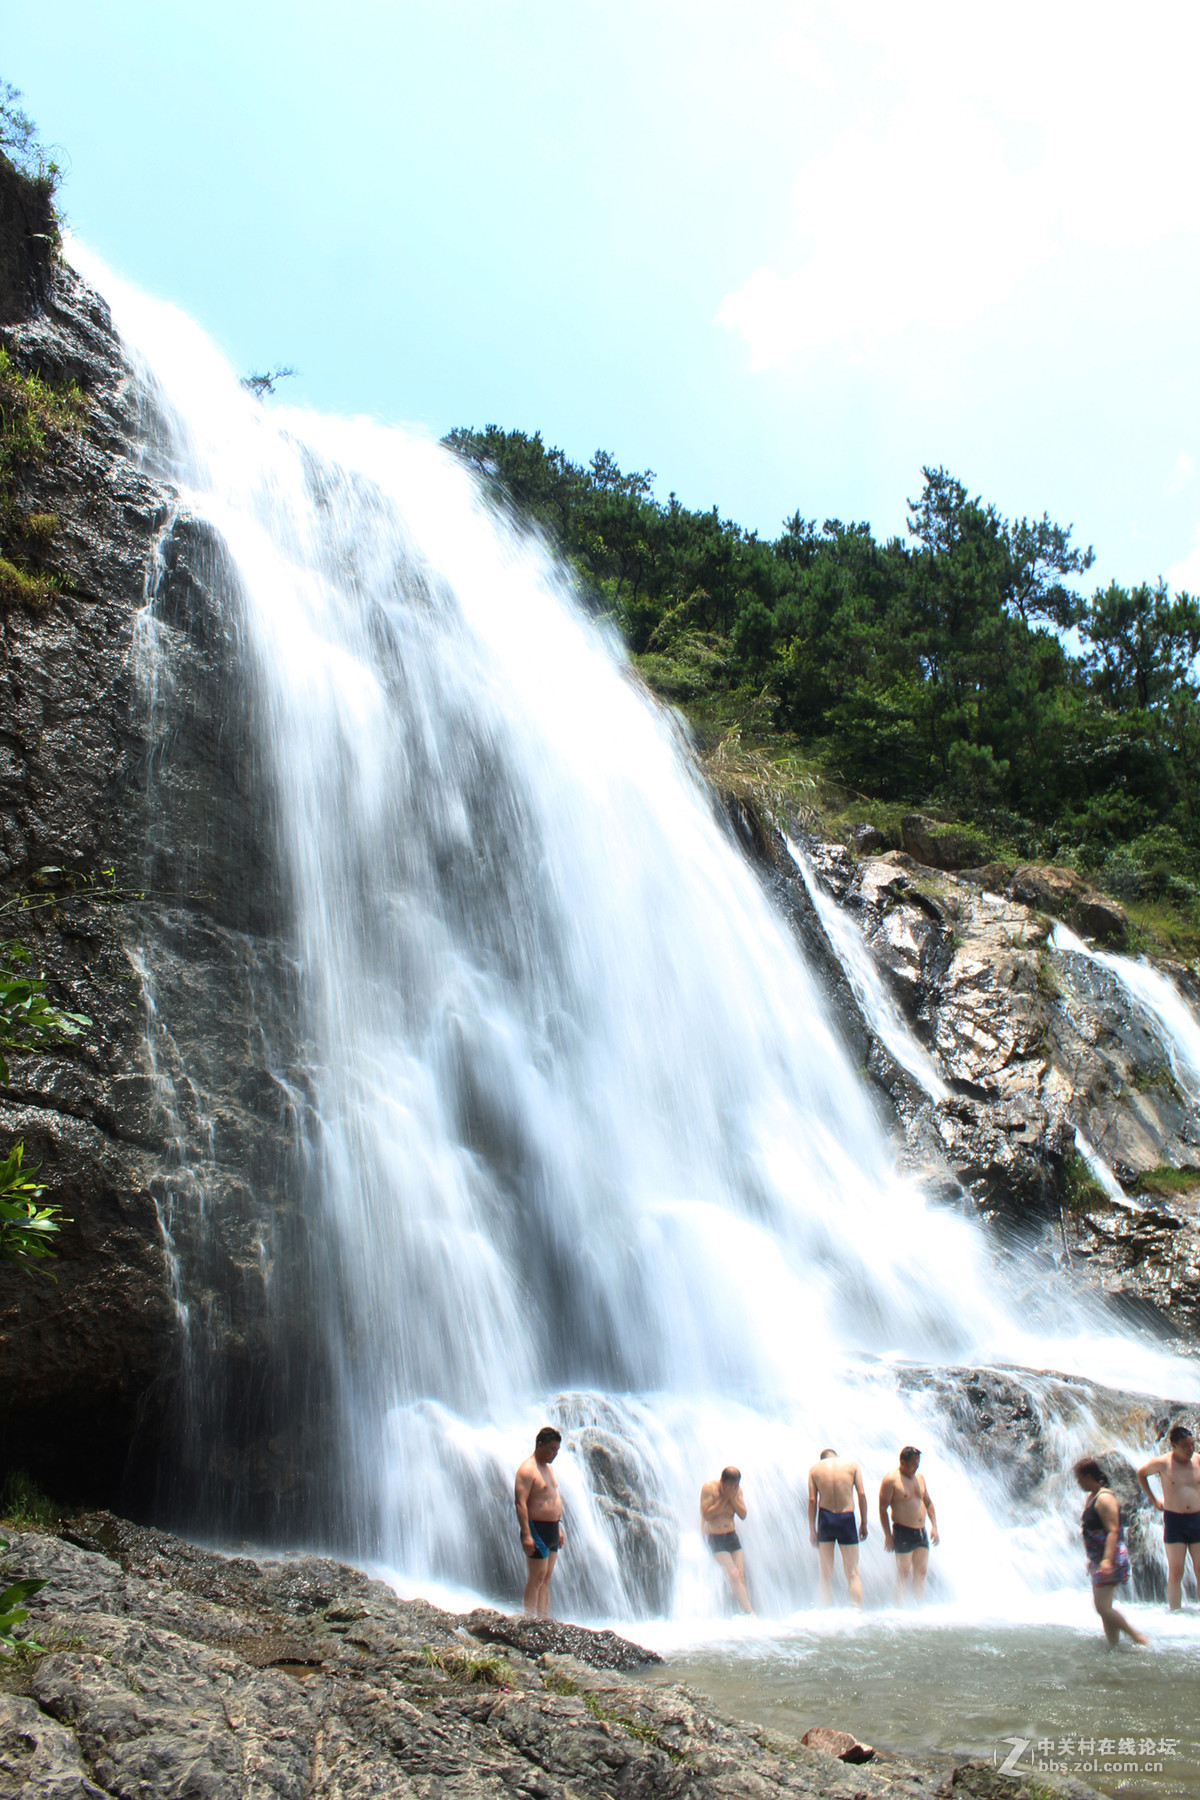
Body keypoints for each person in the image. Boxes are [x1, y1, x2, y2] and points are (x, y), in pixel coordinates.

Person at [1075, 1456, 1148, 1646]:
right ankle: (1114, 1646)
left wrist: (1107, 1560)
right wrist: (1093, 1560)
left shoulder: (1105, 1498)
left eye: (1079, 1478)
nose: (1078, 1482)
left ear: (1088, 1476)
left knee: (1102, 1608)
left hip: (1111, 1557)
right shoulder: (1092, 1497)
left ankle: (1137, 1637)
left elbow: (1113, 1530)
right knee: (1104, 1607)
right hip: (1099, 1558)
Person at [1137, 1422, 1200, 1610]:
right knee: (1176, 1570)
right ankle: (1175, 1611)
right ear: (1173, 1445)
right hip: (1175, 1520)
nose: (1190, 1450)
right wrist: (1154, 1500)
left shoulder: (1198, 1460)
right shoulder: (1163, 1463)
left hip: (1197, 1519)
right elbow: (1141, 1473)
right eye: (1185, 1446)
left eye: (1192, 1445)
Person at [807, 1448, 867, 1607]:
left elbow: (812, 1500)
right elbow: (861, 1494)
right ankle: (857, 1611)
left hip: (826, 1519)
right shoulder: (852, 1466)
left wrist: (812, 1529)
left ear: (822, 1459)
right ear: (836, 1456)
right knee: (853, 1572)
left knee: (825, 1574)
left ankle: (825, 1611)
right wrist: (864, 1523)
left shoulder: (815, 1469)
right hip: (846, 1518)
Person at [515, 1426, 565, 1618]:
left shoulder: (548, 1469)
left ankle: (543, 1620)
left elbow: (552, 1498)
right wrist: (526, 1534)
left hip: (552, 1528)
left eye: (557, 1450)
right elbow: (520, 1503)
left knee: (546, 1578)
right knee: (535, 1578)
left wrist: (559, 1528)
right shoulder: (527, 1470)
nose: (554, 1454)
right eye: (552, 1449)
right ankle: (528, 1619)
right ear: (540, 1445)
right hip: (536, 1528)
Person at [879, 1446, 939, 1603]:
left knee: (921, 1572)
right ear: (902, 1462)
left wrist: (934, 1527)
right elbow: (882, 1508)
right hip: (902, 1531)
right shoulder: (891, 1480)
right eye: (913, 1464)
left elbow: (928, 1502)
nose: (916, 1467)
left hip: (921, 1532)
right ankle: (899, 1608)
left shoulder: (920, 1478)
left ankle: (917, 1607)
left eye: (917, 1463)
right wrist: (887, 1535)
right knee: (903, 1572)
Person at [699, 1465, 753, 1613]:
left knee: (740, 1577)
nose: (733, 1489)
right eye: (729, 1486)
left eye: (735, 1486)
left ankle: (739, 1612)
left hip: (731, 1536)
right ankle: (750, 1614)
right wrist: (724, 1500)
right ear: (722, 1482)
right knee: (733, 1574)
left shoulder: (737, 1492)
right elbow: (706, 1515)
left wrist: (732, 1498)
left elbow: (742, 1514)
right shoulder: (709, 1488)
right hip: (713, 1537)